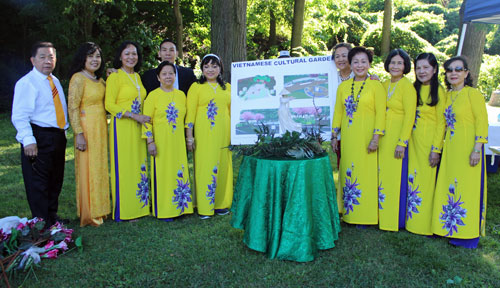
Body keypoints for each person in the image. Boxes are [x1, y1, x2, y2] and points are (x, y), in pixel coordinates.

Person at [431, 56, 488, 249]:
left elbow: (482, 122)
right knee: (449, 186)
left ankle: (466, 234)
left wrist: (477, 150)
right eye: (449, 70)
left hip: (469, 149)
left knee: (467, 189)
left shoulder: (473, 94)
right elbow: (441, 125)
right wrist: (436, 149)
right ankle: (446, 227)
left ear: (466, 73)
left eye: (458, 69)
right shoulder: (446, 96)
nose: (453, 73)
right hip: (451, 149)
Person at [12, 41, 68, 227]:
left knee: (55, 179)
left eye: (51, 57)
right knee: (39, 182)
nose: (47, 61)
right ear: (32, 60)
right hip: (38, 136)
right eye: (42, 57)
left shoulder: (55, 81)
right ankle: (41, 222)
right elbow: (20, 115)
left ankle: (52, 217)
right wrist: (29, 140)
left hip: (57, 136)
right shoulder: (27, 83)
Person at [331, 46, 386, 227]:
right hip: (349, 137)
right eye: (355, 62)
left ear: (369, 64)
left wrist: (376, 138)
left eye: (363, 62)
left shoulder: (376, 86)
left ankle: (366, 216)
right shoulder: (344, 87)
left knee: (366, 174)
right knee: (348, 171)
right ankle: (347, 212)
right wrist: (334, 135)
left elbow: (381, 114)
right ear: (351, 64)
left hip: (368, 137)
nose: (359, 65)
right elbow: (338, 112)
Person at [105, 41, 151, 221]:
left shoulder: (138, 77)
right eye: (127, 53)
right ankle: (125, 211)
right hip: (122, 126)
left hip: (138, 126)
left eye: (134, 54)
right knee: (124, 167)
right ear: (120, 57)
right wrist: (133, 116)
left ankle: (139, 207)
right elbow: (109, 104)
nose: (131, 57)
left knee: (138, 165)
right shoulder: (115, 77)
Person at [142, 61, 193, 221]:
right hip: (161, 142)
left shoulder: (181, 95)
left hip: (177, 142)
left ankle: (181, 206)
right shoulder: (153, 96)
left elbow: (186, 118)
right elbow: (146, 120)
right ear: (158, 77)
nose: (168, 76)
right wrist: (150, 141)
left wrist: (188, 137)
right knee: (163, 174)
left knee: (179, 171)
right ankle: (164, 210)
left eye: (171, 73)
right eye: (164, 74)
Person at [68, 42, 110, 227]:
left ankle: (101, 209)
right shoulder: (78, 78)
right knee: (88, 169)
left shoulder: (99, 80)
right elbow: (73, 107)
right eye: (90, 56)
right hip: (86, 128)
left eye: (98, 56)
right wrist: (78, 133)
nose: (95, 60)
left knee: (99, 168)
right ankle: (89, 213)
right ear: (82, 59)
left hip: (101, 128)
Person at [185, 54, 233, 219]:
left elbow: (232, 112)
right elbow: (190, 114)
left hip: (223, 134)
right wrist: (189, 137)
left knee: (223, 167)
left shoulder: (228, 87)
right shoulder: (196, 87)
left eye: (214, 66)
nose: (210, 70)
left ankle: (220, 204)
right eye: (206, 66)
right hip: (204, 134)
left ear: (220, 68)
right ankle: (205, 207)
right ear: (202, 69)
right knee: (205, 167)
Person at [405, 53, 445, 235]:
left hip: (429, 144)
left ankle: (424, 225)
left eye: (426, 68)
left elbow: (441, 123)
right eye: (418, 68)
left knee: (426, 182)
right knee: (411, 179)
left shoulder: (440, 92)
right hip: (412, 143)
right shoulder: (412, 89)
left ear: (434, 69)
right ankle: (410, 221)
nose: (422, 71)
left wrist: (436, 149)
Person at [378, 48, 417, 232]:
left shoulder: (407, 86)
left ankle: (394, 220)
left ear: (406, 66)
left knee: (395, 178)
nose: (395, 66)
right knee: (383, 176)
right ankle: (380, 215)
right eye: (392, 62)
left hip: (396, 138)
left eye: (399, 63)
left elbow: (410, 117)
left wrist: (402, 142)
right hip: (382, 137)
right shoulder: (384, 84)